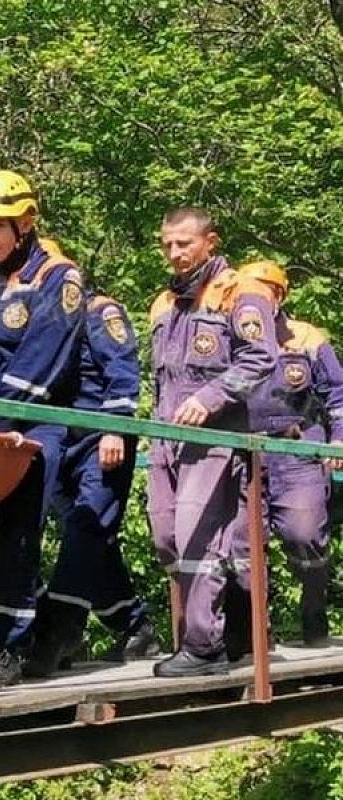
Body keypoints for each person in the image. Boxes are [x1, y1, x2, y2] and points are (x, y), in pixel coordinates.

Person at [0, 170, 85, 687]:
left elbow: (40, 362)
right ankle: (48, 627)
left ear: (25, 222)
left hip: (32, 424)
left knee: (17, 534)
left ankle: (7, 648)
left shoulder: (58, 278)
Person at [147, 208, 278, 677]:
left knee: (197, 535)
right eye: (167, 244)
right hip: (166, 437)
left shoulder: (239, 293)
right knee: (165, 536)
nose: (174, 253)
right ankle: (240, 625)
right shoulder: (165, 302)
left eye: (184, 243)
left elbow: (261, 357)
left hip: (213, 435)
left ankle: (204, 646)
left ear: (210, 242)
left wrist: (210, 397)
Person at [26, 293, 158, 676]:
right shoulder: (36, 315)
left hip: (100, 437)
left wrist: (115, 428)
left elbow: (121, 365)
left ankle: (59, 630)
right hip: (56, 439)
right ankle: (134, 626)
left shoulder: (99, 310)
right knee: (90, 536)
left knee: (85, 528)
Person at [238, 260, 343, 646]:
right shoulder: (232, 335)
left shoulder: (305, 337)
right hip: (245, 452)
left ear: (279, 295)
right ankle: (255, 634)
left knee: (303, 533)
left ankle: (314, 615)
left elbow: (337, 391)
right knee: (243, 543)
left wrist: (338, 440)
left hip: (297, 448)